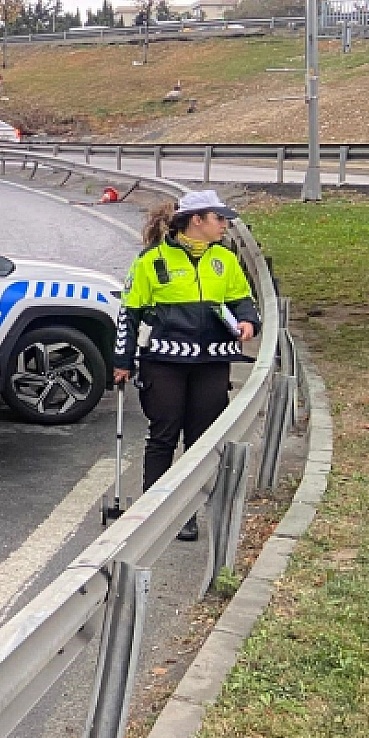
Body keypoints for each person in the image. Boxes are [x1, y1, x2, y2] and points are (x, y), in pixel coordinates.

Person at [112, 190, 260, 541]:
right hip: (164, 362)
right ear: (197, 220)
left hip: (212, 361)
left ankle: (186, 513)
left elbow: (243, 300)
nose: (225, 225)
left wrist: (249, 322)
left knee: (199, 440)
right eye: (219, 219)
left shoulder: (224, 259)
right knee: (164, 434)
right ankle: (152, 510)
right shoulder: (153, 260)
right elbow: (129, 313)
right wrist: (122, 360)